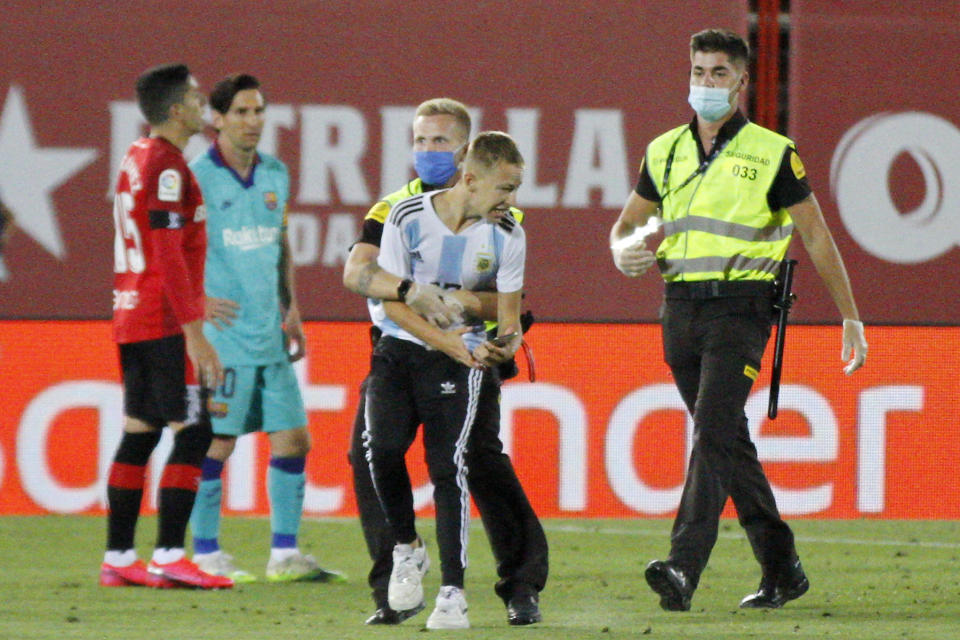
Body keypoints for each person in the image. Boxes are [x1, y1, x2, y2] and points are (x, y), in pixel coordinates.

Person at [609, 29, 868, 612]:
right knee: (727, 439)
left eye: (719, 73)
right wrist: (620, 249)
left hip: (742, 308)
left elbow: (816, 235)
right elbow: (627, 225)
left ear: (742, 81)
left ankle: (683, 565)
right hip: (679, 309)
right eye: (698, 71)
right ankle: (782, 568)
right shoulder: (664, 150)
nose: (705, 83)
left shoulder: (772, 152)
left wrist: (850, 316)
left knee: (710, 431)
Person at [343, 99, 546, 627]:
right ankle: (394, 584)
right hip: (399, 346)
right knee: (369, 455)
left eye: (440, 141)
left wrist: (448, 300)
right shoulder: (394, 209)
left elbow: (503, 303)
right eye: (420, 140)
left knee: (480, 460)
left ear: (465, 155)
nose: (427, 151)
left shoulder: (499, 212)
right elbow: (359, 274)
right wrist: (416, 291)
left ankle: (520, 584)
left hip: (467, 356)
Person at [186, 74, 343, 584]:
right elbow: (170, 250)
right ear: (217, 119)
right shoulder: (195, 178)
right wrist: (196, 302)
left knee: (294, 439)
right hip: (224, 335)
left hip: (268, 330)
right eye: (241, 112)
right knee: (218, 443)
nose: (253, 122)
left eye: (258, 112)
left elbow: (280, 245)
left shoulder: (275, 172)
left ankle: (284, 555)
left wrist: (291, 305)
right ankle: (205, 552)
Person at [101, 63, 232, 590]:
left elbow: (158, 254)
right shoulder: (169, 165)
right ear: (176, 109)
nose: (204, 104)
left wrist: (197, 300)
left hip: (132, 311)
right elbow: (167, 252)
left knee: (142, 430)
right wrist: (195, 331)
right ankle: (172, 554)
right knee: (196, 430)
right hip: (162, 320)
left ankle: (118, 556)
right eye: (198, 97)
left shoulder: (137, 156)